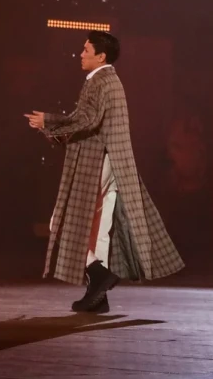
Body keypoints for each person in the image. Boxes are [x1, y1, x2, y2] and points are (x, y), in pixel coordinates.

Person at [25, 31, 184, 312]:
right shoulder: (108, 80)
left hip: (98, 160)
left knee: (66, 222)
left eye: (86, 50)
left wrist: (49, 121)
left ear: (101, 56)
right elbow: (89, 119)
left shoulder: (102, 81)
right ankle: (98, 296)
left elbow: (88, 119)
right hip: (110, 161)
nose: (81, 54)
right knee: (98, 232)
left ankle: (99, 276)